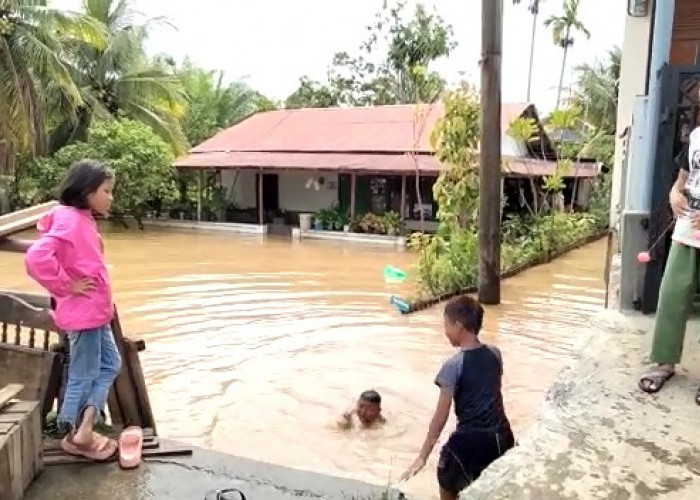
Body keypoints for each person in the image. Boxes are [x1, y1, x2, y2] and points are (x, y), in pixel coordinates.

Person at [25, 159, 121, 460]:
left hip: (95, 313)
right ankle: (74, 433)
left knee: (111, 364)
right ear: (88, 190)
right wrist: (67, 286)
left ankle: (85, 427)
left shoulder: (80, 217)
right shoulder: (70, 220)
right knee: (84, 373)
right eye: (106, 190)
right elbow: (36, 257)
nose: (111, 197)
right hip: (84, 315)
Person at [400, 296, 514, 500]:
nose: (444, 332)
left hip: (472, 440)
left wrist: (422, 456)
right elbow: (495, 396)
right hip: (503, 436)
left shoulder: (453, 365)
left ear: (458, 326)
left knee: (446, 476)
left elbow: (440, 417)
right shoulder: (495, 353)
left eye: (446, 325)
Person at [638, 120, 700, 402]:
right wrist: (674, 195)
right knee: (672, 296)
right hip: (687, 230)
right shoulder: (696, 138)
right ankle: (664, 363)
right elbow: (681, 182)